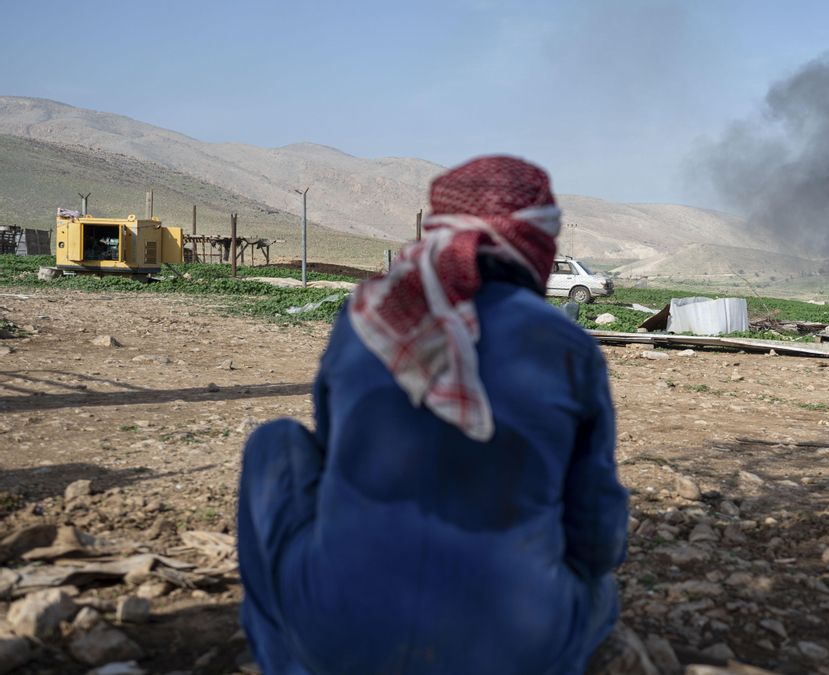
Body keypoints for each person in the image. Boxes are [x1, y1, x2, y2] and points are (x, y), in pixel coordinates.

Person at [237, 156, 629, 674]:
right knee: (601, 593)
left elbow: (331, 459)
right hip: (511, 645)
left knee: (276, 442)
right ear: (540, 242)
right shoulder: (568, 347)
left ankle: (288, 661)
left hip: (338, 633)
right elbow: (598, 537)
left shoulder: (366, 321)